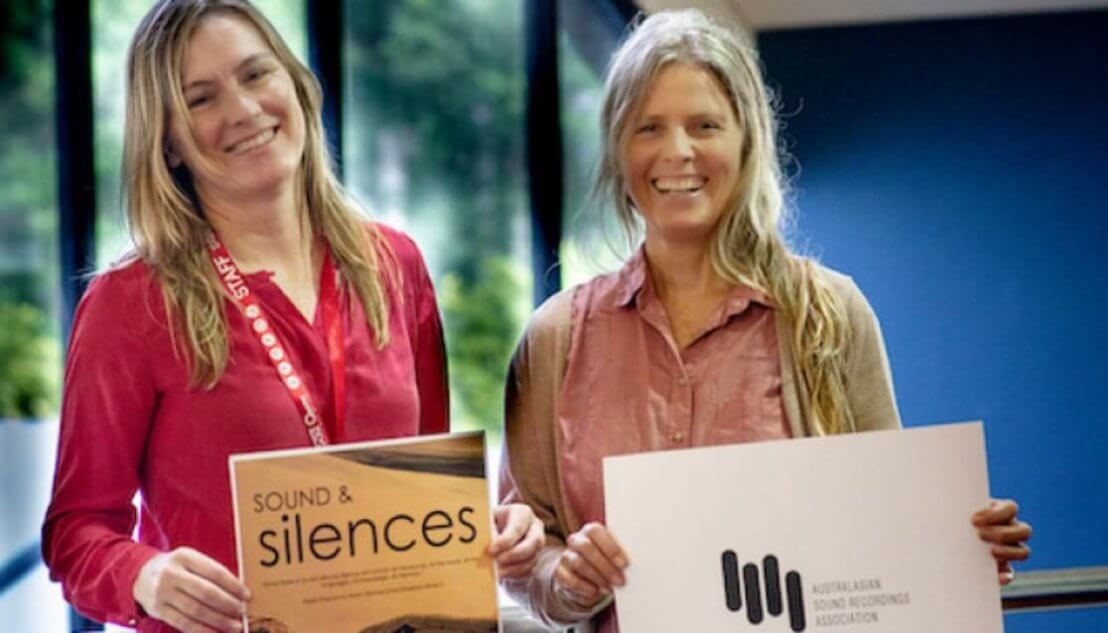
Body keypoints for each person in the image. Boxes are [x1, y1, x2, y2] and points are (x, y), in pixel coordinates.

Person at [498, 9, 1031, 631]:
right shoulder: (555, 338)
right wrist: (565, 583)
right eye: (648, 127)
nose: (677, 151)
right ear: (619, 148)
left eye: (705, 126)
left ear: (746, 140)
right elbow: (523, 550)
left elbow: (889, 521)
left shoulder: (831, 315)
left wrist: (957, 545)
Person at [41, 2, 543, 631]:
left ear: (297, 86)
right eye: (201, 99)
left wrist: (492, 530)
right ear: (166, 141)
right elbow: (76, 532)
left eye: (257, 75)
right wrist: (145, 575)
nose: (244, 111)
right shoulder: (131, 303)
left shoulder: (396, 264)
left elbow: (425, 496)